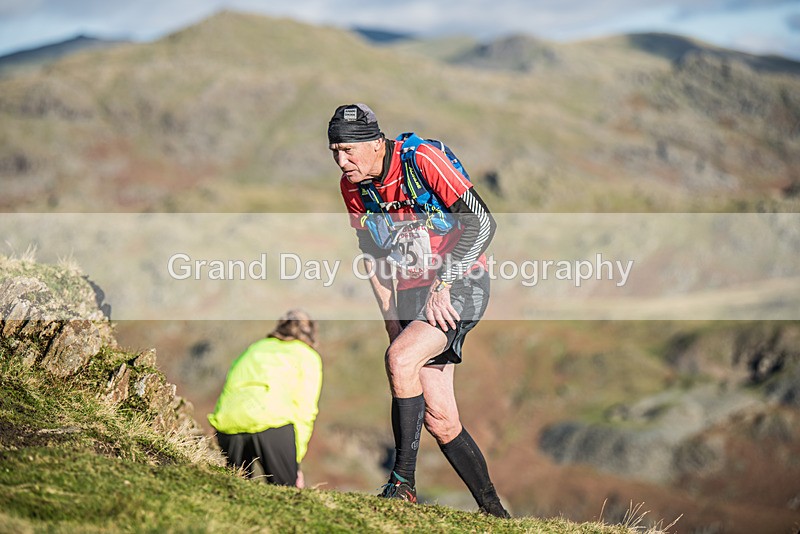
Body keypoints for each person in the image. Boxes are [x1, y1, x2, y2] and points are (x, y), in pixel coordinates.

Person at [328, 103, 509, 517]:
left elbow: (483, 223)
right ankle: (495, 514)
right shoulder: (353, 187)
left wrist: (445, 284)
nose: (342, 161)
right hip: (412, 292)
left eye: (350, 151)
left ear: (376, 143)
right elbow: (372, 256)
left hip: (460, 283)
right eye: (335, 152)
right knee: (441, 418)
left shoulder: (422, 160)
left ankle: (402, 483)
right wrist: (392, 322)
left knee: (401, 358)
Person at [208, 309, 322, 488]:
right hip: (273, 423)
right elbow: (305, 408)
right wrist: (294, 460)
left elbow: (231, 385)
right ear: (311, 333)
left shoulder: (256, 347)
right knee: (286, 495)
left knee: (233, 490)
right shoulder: (307, 356)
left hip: (229, 423)